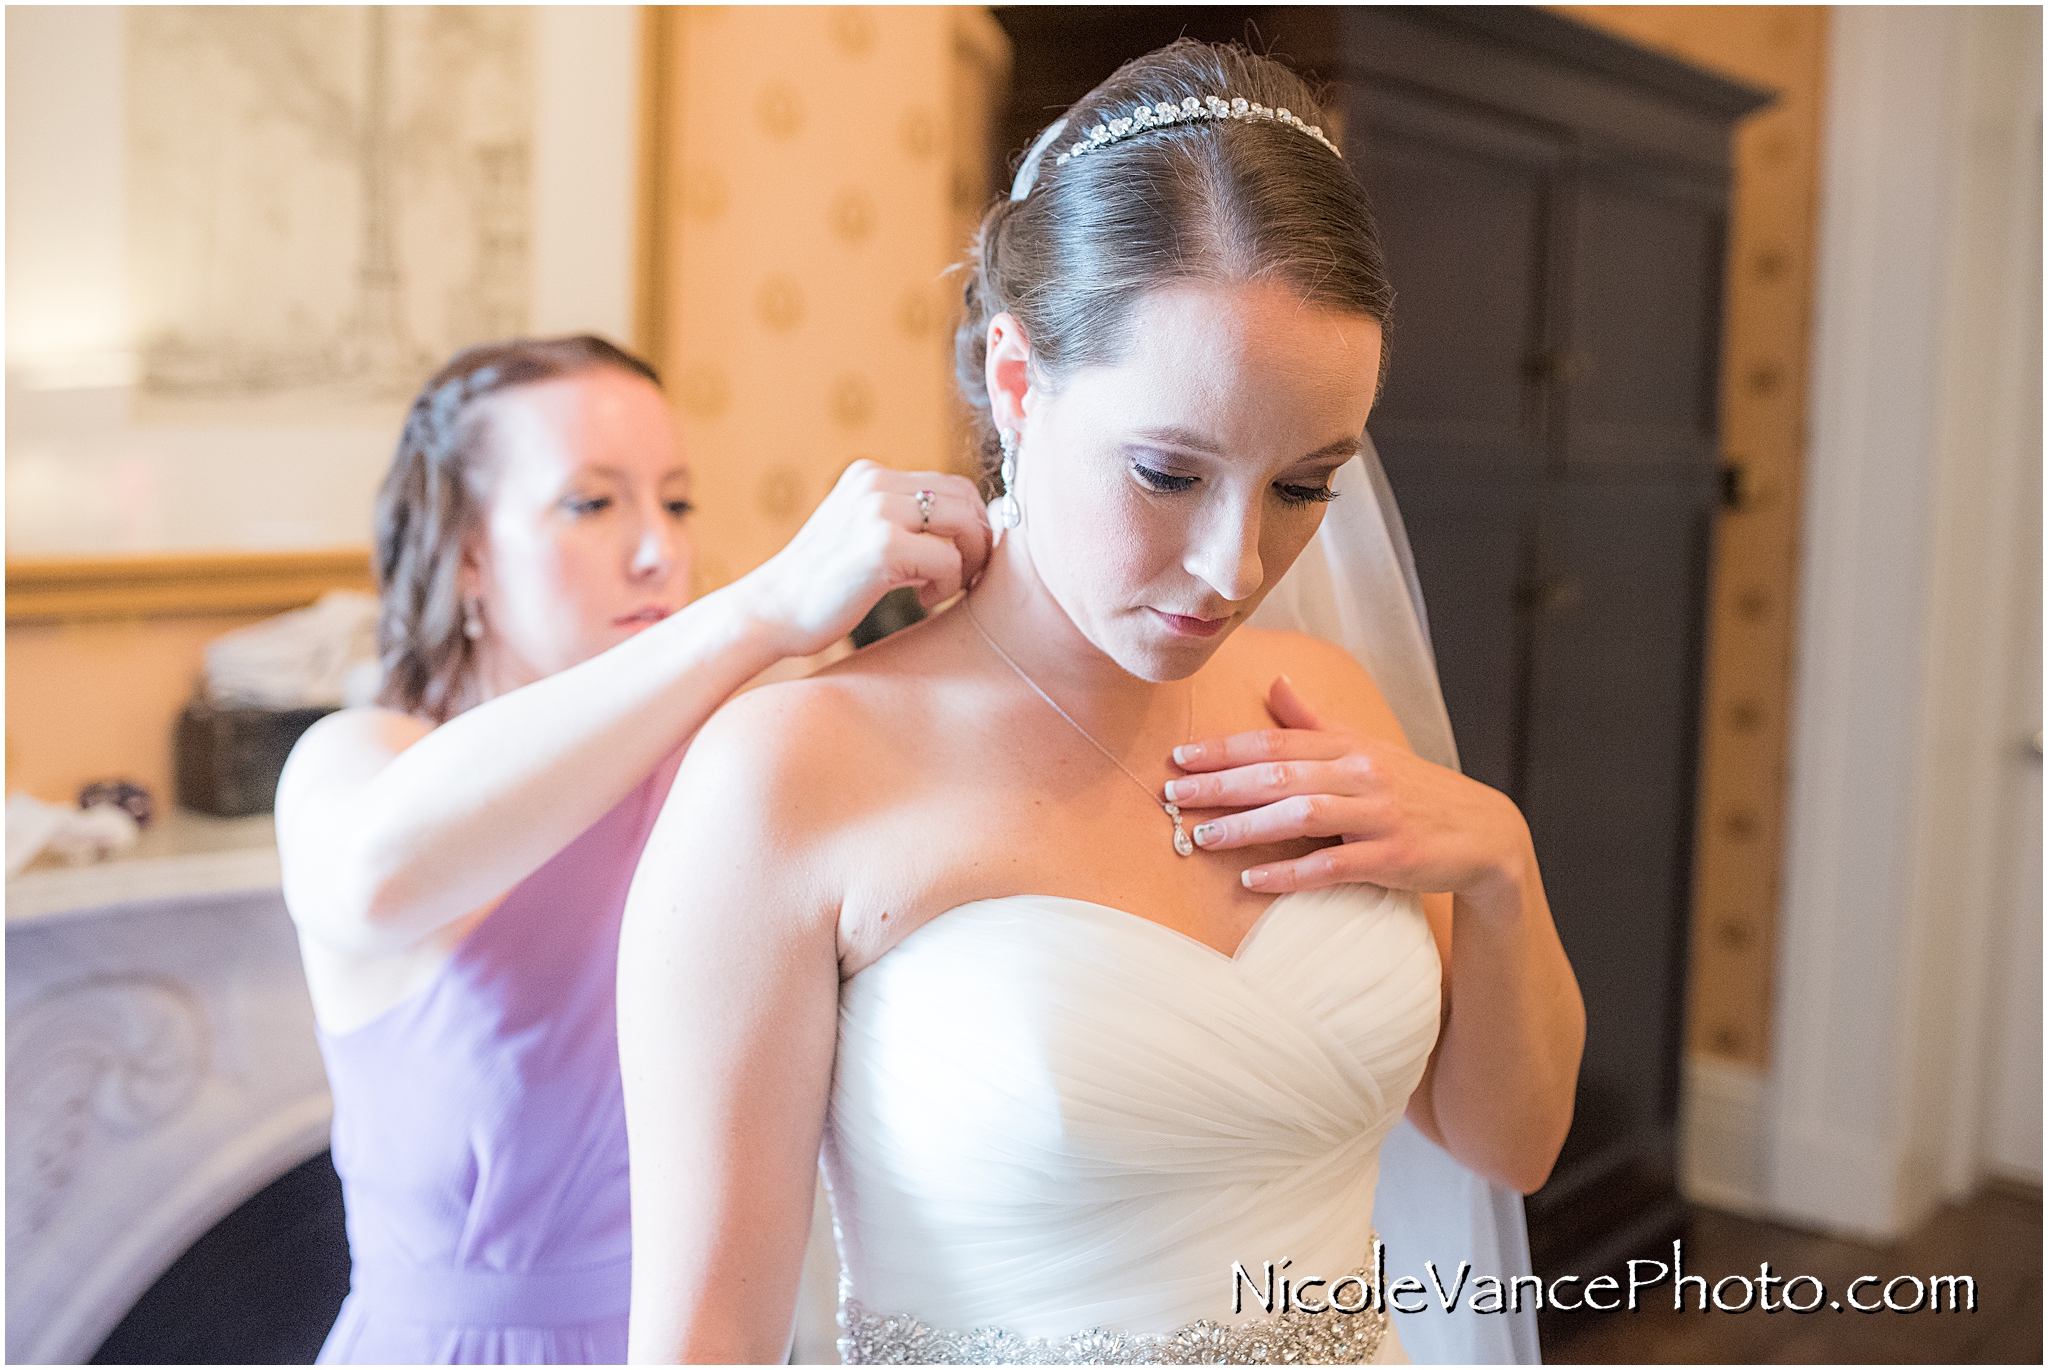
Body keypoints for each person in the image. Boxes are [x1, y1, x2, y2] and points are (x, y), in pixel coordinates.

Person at [619, 41, 1584, 1366]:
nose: (1235, 569)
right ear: (1018, 383)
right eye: (1167, 472)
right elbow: (700, 1339)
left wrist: (1502, 866)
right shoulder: (794, 772)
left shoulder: (1327, 700)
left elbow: (1509, 1144)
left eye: (1306, 484)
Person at [275, 334, 989, 1363]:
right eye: (592, 502)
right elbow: (371, 880)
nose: (657, 548)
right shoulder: (357, 760)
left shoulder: (738, 758)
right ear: (467, 551)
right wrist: (756, 610)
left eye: (677, 500)